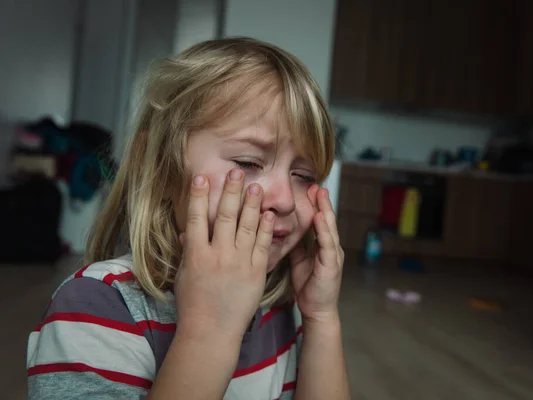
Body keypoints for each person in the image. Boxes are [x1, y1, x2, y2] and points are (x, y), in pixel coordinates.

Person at [26, 37, 349, 399]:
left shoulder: (279, 305)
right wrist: (210, 330)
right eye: (248, 163)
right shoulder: (95, 306)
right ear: (161, 166)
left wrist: (322, 319)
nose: (286, 200)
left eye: (304, 176)